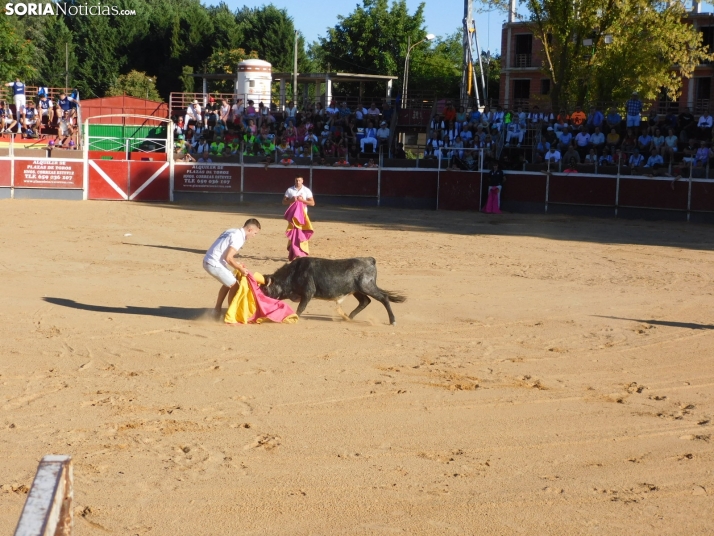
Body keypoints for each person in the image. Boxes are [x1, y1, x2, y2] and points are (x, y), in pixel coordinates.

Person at [203, 219, 262, 319]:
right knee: (235, 286)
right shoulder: (238, 237)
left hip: (210, 260)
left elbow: (223, 251)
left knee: (228, 282)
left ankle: (217, 310)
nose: (254, 236)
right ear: (250, 229)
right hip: (214, 264)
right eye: (255, 233)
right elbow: (228, 258)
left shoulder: (231, 231)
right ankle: (231, 313)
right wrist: (240, 268)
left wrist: (237, 264)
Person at [283, 176, 315, 260]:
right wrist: (291, 200)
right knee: (294, 234)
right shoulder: (290, 190)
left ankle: (301, 252)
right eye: (296, 180)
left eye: (299, 180)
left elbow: (312, 203)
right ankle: (294, 252)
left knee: (302, 235)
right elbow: (283, 202)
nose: (297, 182)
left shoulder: (306, 190)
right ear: (294, 180)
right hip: (292, 217)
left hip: (303, 217)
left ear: (302, 181)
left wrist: (302, 201)